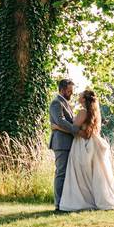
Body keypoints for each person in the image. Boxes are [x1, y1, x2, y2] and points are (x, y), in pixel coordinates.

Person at [54, 88, 114, 212]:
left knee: (81, 175)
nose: (77, 94)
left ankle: (83, 200)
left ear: (84, 99)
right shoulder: (92, 112)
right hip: (91, 143)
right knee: (88, 175)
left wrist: (57, 126)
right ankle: (91, 199)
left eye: (80, 94)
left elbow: (74, 130)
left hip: (81, 144)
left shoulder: (83, 112)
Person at [48, 79, 79, 210]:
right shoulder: (56, 102)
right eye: (69, 91)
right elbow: (60, 121)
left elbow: (66, 122)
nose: (71, 93)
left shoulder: (65, 103)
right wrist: (76, 130)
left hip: (68, 142)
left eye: (72, 91)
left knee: (66, 173)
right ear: (62, 89)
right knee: (61, 173)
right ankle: (58, 204)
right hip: (61, 143)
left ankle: (65, 203)